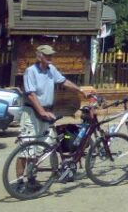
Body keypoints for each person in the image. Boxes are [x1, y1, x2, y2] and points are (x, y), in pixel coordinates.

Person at [17, 44, 91, 185]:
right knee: (26, 148)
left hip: (48, 111)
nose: (50, 57)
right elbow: (31, 94)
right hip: (32, 112)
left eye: (51, 55)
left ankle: (32, 178)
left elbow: (64, 81)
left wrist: (80, 90)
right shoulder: (30, 71)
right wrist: (42, 111)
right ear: (39, 56)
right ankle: (20, 181)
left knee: (43, 147)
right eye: (47, 55)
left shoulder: (51, 70)